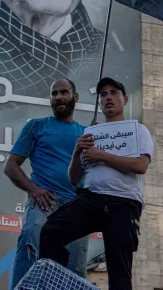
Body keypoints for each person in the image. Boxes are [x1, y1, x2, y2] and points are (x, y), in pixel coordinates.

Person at [39, 77, 153, 290]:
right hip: (92, 198)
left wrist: (101, 155)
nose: (108, 97)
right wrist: (77, 151)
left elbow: (140, 166)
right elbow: (74, 179)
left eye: (113, 93)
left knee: (118, 269)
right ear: (99, 103)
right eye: (103, 95)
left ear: (125, 99)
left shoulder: (139, 131)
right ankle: (57, 284)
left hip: (124, 202)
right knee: (50, 231)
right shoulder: (91, 134)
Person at [4, 79, 90, 288]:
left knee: (75, 269)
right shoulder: (36, 126)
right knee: (30, 240)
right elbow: (10, 166)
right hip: (44, 202)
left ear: (75, 97)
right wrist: (33, 189)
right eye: (54, 93)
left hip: (75, 207)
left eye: (64, 92)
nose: (59, 97)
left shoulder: (87, 133)